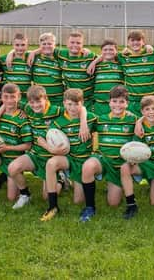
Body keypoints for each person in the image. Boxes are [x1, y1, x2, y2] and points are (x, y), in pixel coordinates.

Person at [79, 85, 137, 222]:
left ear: (127, 104)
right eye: (114, 101)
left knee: (113, 203)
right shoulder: (100, 119)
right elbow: (82, 109)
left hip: (120, 165)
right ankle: (90, 207)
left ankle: (122, 185)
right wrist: (83, 123)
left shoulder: (133, 120)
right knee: (88, 166)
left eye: (122, 101)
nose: (118, 105)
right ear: (109, 102)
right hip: (103, 160)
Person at [40, 89, 98, 221]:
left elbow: (108, 125)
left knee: (78, 200)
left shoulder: (91, 118)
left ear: (82, 103)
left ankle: (65, 180)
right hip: (68, 158)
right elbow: (41, 138)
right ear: (64, 104)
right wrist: (51, 149)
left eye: (76, 104)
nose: (72, 108)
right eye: (69, 104)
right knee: (51, 163)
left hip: (83, 162)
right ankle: (53, 206)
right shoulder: (58, 122)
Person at [120, 95, 154, 219]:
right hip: (146, 164)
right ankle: (131, 205)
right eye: (147, 109)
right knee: (125, 167)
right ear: (142, 112)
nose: (151, 112)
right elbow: (134, 148)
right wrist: (132, 159)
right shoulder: (139, 127)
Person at [92, 39, 124, 116]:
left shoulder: (121, 65)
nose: (108, 52)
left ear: (116, 51)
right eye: (105, 50)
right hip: (100, 104)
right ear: (101, 52)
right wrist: (94, 62)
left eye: (111, 49)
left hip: (117, 104)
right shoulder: (96, 65)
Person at [1, 33, 32, 100]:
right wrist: (11, 53)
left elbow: (42, 50)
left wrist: (11, 52)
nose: (20, 48)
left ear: (27, 45)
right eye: (17, 45)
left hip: (25, 99)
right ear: (13, 45)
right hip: (9, 99)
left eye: (23, 45)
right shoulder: (5, 59)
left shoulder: (31, 58)